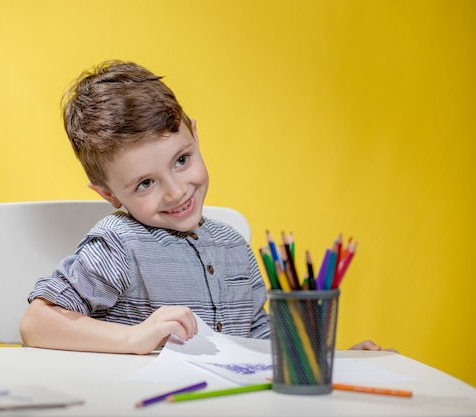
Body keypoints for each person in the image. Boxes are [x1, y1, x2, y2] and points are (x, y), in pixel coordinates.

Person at [20, 60, 392, 355]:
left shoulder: (233, 245)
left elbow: (257, 340)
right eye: (145, 183)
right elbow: (36, 323)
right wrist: (133, 338)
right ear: (109, 195)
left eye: (182, 160)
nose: (177, 191)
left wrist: (339, 361)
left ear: (195, 136)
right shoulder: (119, 244)